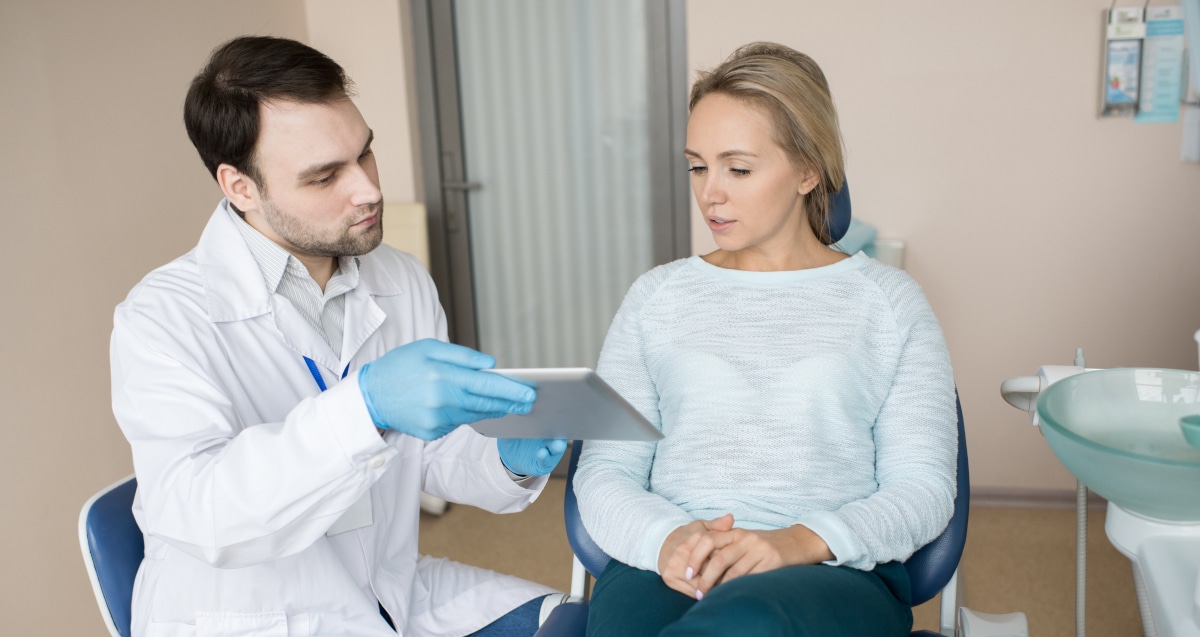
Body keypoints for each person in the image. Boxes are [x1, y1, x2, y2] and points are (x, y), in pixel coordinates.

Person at [110, 35, 569, 637]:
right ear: (240, 186)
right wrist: (364, 408)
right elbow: (205, 514)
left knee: (575, 623)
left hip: (389, 588)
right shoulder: (162, 318)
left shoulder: (400, 278)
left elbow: (426, 455)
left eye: (365, 154)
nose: (369, 190)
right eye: (325, 177)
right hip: (251, 615)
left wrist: (506, 458)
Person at [573, 42, 958, 637]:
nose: (710, 193)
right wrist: (667, 539)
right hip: (669, 570)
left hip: (832, 572)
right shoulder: (656, 296)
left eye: (739, 168)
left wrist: (798, 542)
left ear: (808, 170)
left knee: (751, 620)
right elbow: (604, 474)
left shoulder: (889, 303)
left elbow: (925, 489)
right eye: (698, 166)